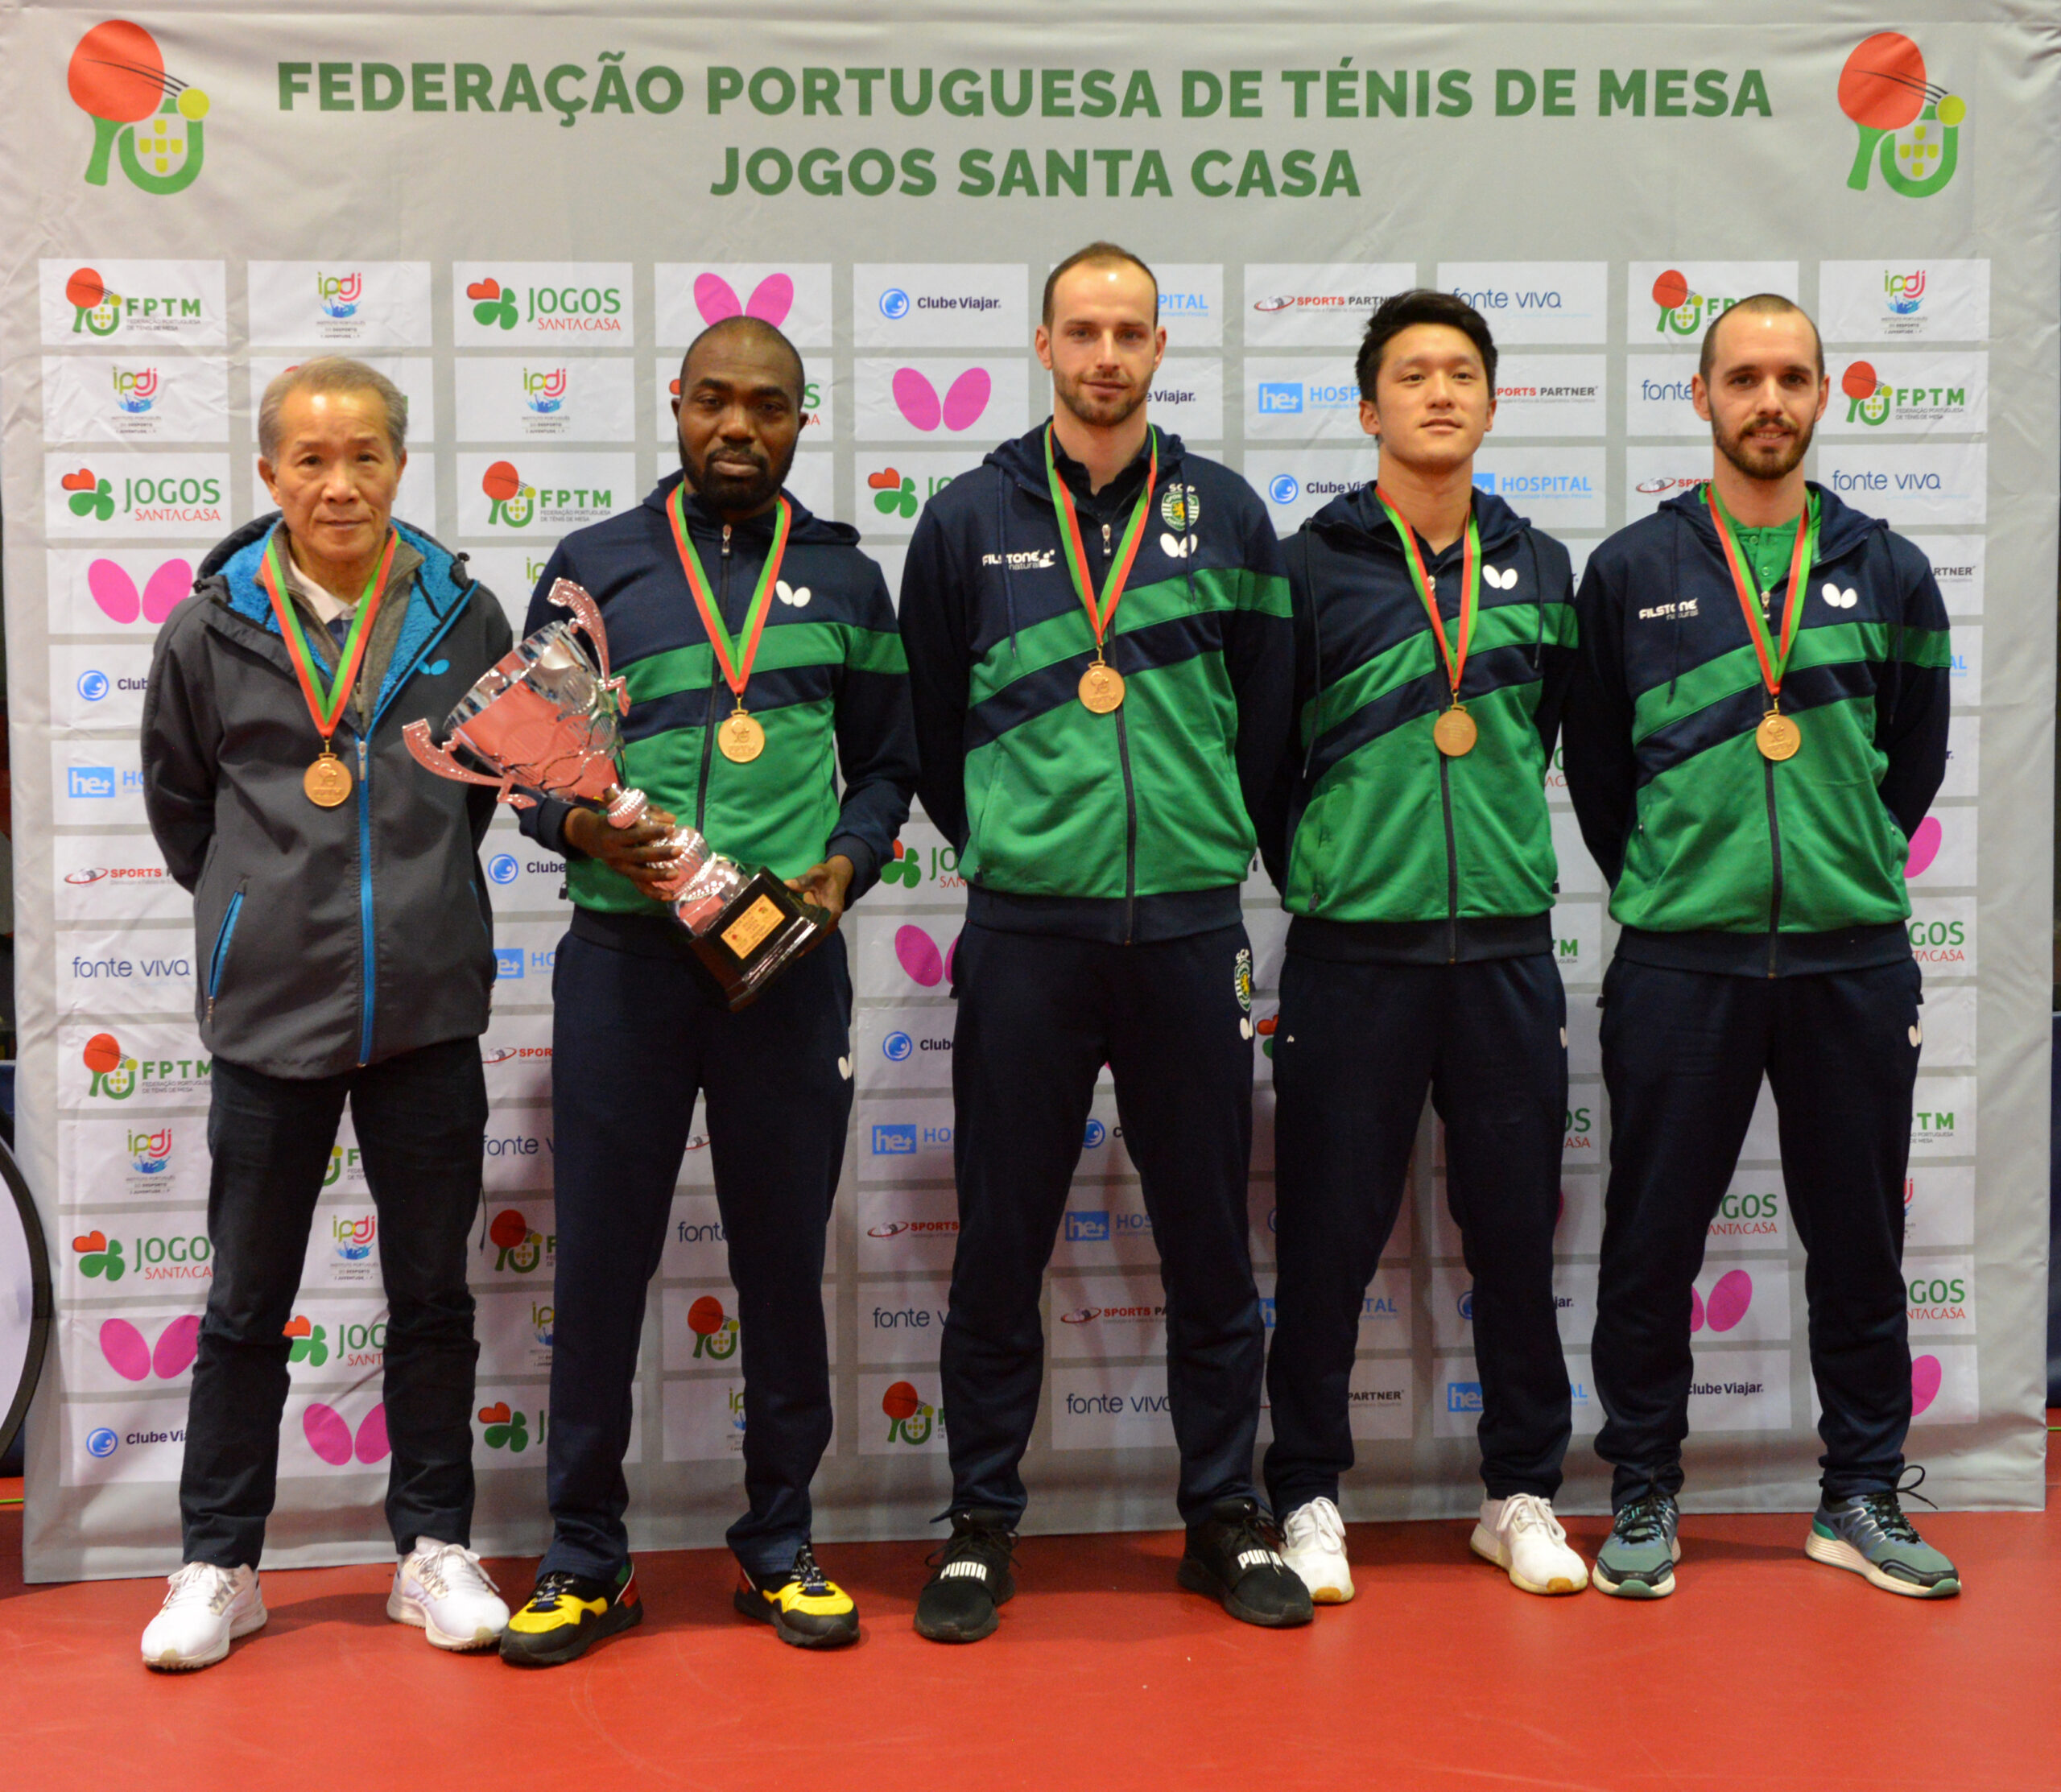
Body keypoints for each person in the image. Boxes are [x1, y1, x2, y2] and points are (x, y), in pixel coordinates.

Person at [898, 242, 1303, 1642]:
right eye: (1084, 329)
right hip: (1030, 934)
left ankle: (1221, 1512)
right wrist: (1023, 842)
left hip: (1190, 929)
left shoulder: (1233, 517)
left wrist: (1201, 837)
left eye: (1131, 330)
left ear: (1158, 348)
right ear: (1043, 344)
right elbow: (937, 737)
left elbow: (1269, 721)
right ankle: (978, 1521)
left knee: (1205, 1234)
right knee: (1002, 1235)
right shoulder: (965, 520)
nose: (1108, 353)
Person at [498, 316, 915, 1664]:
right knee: (605, 1258)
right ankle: (583, 1553)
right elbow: (525, 773)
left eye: (770, 407)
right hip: (626, 958)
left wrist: (843, 873)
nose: (740, 427)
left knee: (782, 1260)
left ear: (805, 419)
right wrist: (585, 831)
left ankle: (782, 1541)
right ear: (674, 404)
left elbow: (891, 765)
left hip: (783, 967)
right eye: (716, 402)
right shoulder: (594, 566)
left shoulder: (848, 580)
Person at [1563, 295, 1958, 1600]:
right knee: (1652, 1237)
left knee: (1859, 1241)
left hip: (1852, 958)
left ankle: (1857, 1494)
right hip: (1684, 960)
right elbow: (1603, 776)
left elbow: (1915, 758)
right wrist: (1680, 885)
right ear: (1702, 397)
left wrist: (1843, 864)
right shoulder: (1631, 569)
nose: (1769, 399)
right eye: (1745, 377)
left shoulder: (1888, 565)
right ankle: (1643, 1492)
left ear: (1822, 396)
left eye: (1792, 376)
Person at [138, 357, 514, 1669]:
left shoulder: (465, 616)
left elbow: (475, 793)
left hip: (426, 1012)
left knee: (432, 1295)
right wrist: (262, 911)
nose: (339, 483)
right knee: (246, 1303)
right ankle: (219, 1560)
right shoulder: (209, 627)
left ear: (401, 467)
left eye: (364, 455)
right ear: (269, 475)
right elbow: (185, 807)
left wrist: (406, 912)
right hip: (267, 1017)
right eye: (310, 459)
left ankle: (432, 1546)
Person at [1256, 290, 1589, 1604]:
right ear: (1368, 406)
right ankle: (1309, 1494)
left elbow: (1551, 739)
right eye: (1411, 374)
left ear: (1494, 402)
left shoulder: (1546, 566)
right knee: (1329, 1233)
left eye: (1462, 372)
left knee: (1515, 1233)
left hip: (1505, 948)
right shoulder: (1305, 566)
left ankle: (1519, 1493)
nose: (1439, 392)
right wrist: (1338, 879)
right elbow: (1265, 762)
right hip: (1353, 950)